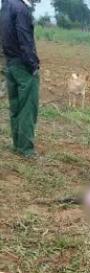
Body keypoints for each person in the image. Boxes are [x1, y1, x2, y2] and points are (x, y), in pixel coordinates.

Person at [1, 0, 40, 156]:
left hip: (10, 63)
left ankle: (17, 145)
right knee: (27, 109)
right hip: (23, 66)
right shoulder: (21, 9)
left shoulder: (6, 6)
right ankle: (26, 150)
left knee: (16, 107)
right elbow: (25, 40)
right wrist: (33, 65)